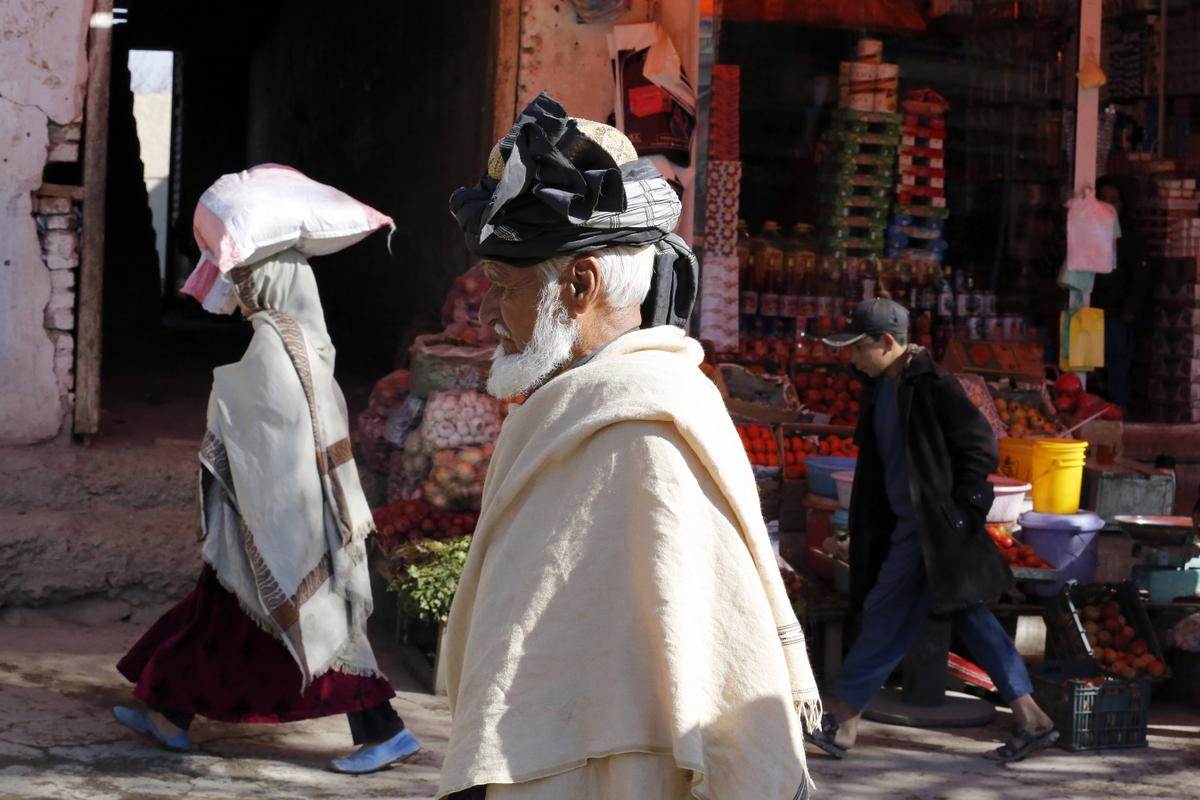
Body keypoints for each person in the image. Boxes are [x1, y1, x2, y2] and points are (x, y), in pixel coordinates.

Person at [435, 92, 820, 800]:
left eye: (501, 286)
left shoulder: (641, 431)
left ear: (578, 286)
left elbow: (684, 674)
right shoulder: (589, 407)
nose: (487, 312)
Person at [113, 247, 420, 774]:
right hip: (273, 512)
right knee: (221, 615)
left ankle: (386, 731)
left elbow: (266, 422)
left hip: (277, 515)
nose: (240, 289)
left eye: (249, 279)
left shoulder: (275, 346)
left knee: (318, 628)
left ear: (272, 283)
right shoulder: (304, 338)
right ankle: (169, 714)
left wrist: (223, 394)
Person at [804, 298, 1058, 764]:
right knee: (967, 617)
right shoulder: (880, 386)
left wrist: (961, 515)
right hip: (907, 530)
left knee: (885, 615)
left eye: (859, 348)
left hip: (931, 533)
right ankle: (1032, 718)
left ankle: (842, 720)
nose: (852, 359)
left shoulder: (935, 386)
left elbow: (980, 449)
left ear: (887, 342)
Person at [1092, 175, 1150, 409]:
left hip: (1117, 316)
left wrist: (1129, 310)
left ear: (1123, 204)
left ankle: (1117, 417)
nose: (1109, 206)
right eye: (1103, 200)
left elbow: (1140, 278)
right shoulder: (1089, 233)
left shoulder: (1131, 237)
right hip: (1089, 312)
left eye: (1114, 200)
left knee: (1117, 369)